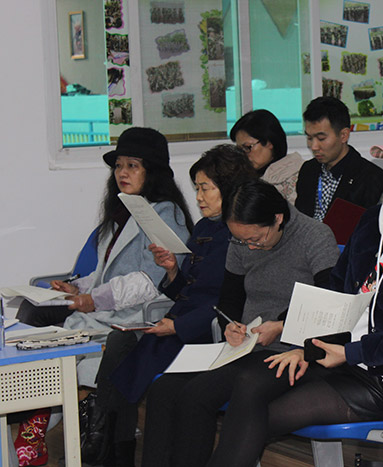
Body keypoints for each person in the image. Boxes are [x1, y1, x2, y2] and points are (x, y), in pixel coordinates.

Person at [145, 126, 383, 467]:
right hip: (342, 358)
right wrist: (304, 346)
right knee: (251, 385)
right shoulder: (375, 221)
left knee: (255, 411)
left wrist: (348, 352)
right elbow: (335, 293)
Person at [14, 127, 193, 467]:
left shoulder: (165, 215)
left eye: (132, 165)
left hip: (137, 314)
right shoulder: (121, 212)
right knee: (33, 309)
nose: (122, 173)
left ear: (153, 172)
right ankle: (33, 414)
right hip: (105, 310)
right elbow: (103, 273)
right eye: (119, 165)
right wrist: (77, 288)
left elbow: (148, 282)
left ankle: (44, 425)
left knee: (54, 332)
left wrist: (91, 300)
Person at [79, 145, 258, 466]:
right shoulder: (203, 227)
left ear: (229, 188)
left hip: (205, 331)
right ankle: (111, 444)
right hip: (181, 323)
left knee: (143, 369)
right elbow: (186, 290)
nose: (198, 197)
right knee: (123, 348)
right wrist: (172, 269)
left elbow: (229, 302)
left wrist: (177, 326)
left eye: (205, 188)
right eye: (197, 188)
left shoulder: (241, 233)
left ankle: (109, 444)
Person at [141, 179, 341, 466]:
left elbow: (329, 302)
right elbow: (230, 296)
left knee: (201, 395)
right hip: (248, 346)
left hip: (291, 349)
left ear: (278, 219)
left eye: (256, 239)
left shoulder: (314, 236)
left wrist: (281, 326)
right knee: (164, 389)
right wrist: (230, 324)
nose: (250, 247)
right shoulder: (240, 239)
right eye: (242, 240)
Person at [295, 96, 383, 221]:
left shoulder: (372, 178)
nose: (314, 146)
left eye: (321, 138)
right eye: (310, 138)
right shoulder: (308, 170)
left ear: (344, 135)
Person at [230, 109, 303, 203]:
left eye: (248, 147)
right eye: (240, 150)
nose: (243, 155)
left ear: (269, 143)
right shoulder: (246, 178)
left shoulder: (297, 176)